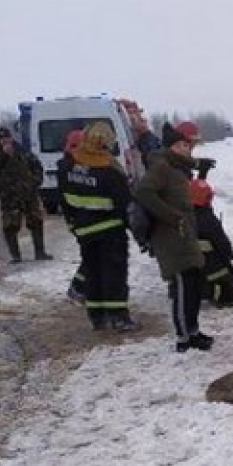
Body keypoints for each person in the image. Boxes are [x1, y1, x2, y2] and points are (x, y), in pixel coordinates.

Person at [134, 121, 213, 352]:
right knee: (182, 285)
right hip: (170, 236)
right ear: (173, 147)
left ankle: (193, 330)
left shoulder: (178, 169)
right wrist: (171, 216)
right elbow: (143, 192)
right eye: (183, 145)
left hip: (184, 233)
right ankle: (183, 336)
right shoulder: (162, 167)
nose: (188, 149)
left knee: (194, 282)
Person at [59, 121, 139, 332]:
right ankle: (118, 317)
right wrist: (140, 233)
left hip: (84, 232)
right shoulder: (110, 171)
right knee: (114, 273)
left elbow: (64, 200)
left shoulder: (67, 167)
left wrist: (73, 224)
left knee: (93, 272)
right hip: (111, 231)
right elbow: (125, 205)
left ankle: (97, 316)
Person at [0, 126, 52, 262]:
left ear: (11, 137)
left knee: (36, 221)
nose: (5, 141)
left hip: (28, 194)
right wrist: (4, 154)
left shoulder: (22, 151)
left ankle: (40, 252)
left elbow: (37, 166)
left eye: (6, 138)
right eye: (2, 138)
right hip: (9, 196)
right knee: (10, 226)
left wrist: (35, 182)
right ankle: (15, 256)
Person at [189, 179, 233, 306]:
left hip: (190, 273)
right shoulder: (208, 219)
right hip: (212, 273)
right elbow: (224, 247)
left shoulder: (182, 216)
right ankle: (215, 292)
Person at [58, 129, 88, 304]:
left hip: (80, 218)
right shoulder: (69, 169)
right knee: (91, 257)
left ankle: (81, 287)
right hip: (80, 219)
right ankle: (77, 287)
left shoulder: (69, 166)